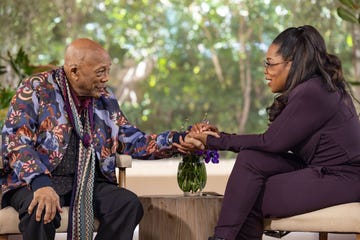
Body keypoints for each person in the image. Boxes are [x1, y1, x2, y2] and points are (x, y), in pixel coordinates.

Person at [0, 38, 199, 240]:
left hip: (87, 182)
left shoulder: (105, 98)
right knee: (41, 209)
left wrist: (180, 139)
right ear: (74, 71)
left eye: (108, 70)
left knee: (127, 204)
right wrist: (40, 183)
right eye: (100, 72)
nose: (106, 79)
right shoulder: (36, 88)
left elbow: (134, 141)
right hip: (32, 182)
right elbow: (16, 142)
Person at [183, 25, 360, 240]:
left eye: (270, 63)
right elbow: (271, 142)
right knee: (251, 161)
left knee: (249, 196)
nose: (265, 70)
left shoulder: (313, 91)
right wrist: (218, 138)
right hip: (320, 169)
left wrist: (216, 141)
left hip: (345, 178)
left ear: (293, 63)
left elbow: (271, 142)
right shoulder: (311, 88)